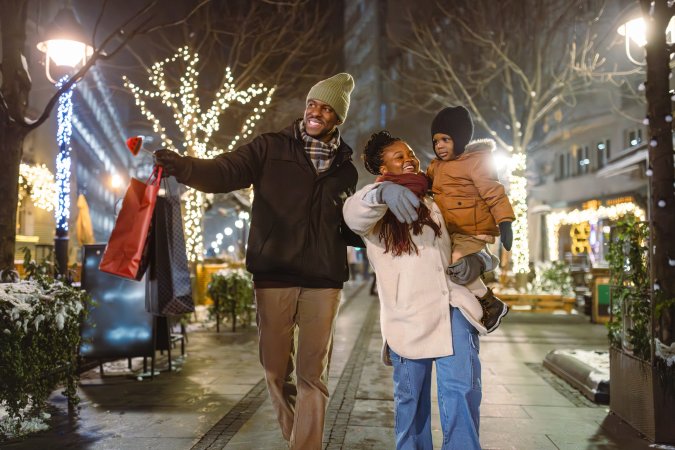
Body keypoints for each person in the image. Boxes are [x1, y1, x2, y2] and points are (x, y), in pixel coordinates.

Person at [154, 73, 361, 449]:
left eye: (327, 109)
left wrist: (372, 229)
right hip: (274, 275)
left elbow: (348, 223)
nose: (316, 112)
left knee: (313, 375)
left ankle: (305, 447)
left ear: (337, 118)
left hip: (323, 279)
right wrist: (183, 167)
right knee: (274, 370)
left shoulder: (346, 168)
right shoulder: (269, 148)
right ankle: (296, 435)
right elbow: (223, 171)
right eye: (313, 104)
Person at [343, 131, 484, 450]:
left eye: (410, 154)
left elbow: (468, 236)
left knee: (462, 392)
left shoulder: (436, 198)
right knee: (411, 403)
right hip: (407, 318)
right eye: (399, 157)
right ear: (383, 170)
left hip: (454, 308)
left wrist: (479, 259)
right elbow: (352, 214)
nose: (409, 159)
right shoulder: (376, 208)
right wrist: (383, 194)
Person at [428, 106, 515, 333]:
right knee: (446, 266)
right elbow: (426, 187)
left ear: (459, 138)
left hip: (474, 229)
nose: (440, 146)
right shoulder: (435, 167)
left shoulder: (477, 161)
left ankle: (490, 303)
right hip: (452, 231)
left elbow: (493, 192)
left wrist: (505, 221)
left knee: (458, 263)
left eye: (446, 139)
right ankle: (478, 297)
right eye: (436, 141)